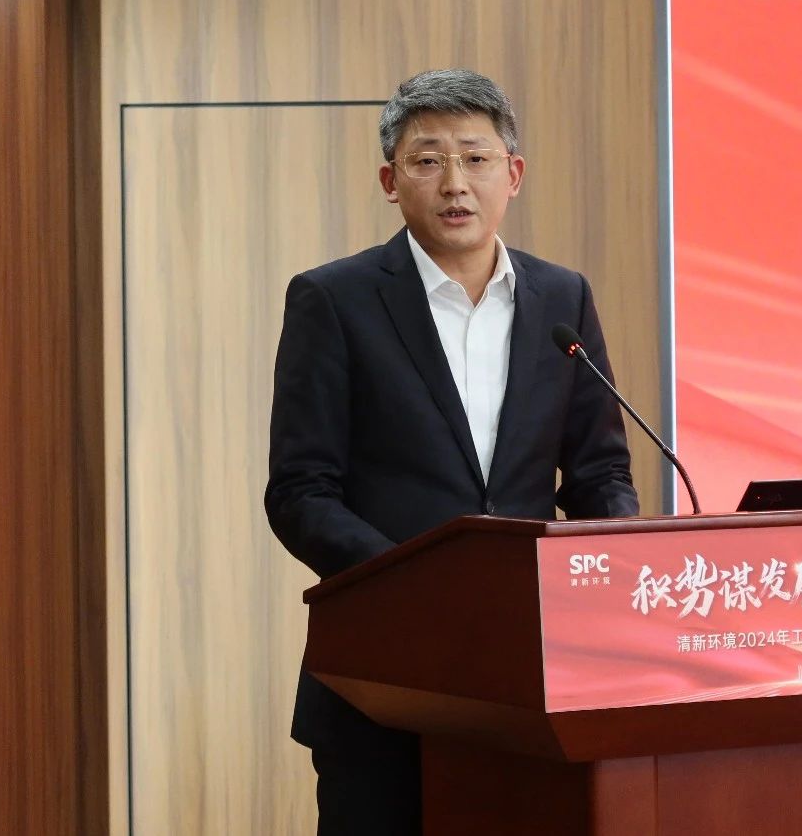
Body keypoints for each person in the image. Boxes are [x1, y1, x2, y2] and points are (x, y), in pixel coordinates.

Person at [264, 69, 639, 834]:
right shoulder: (333, 300)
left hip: (533, 679)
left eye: (475, 158)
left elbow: (599, 471)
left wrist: (613, 578)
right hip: (381, 676)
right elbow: (301, 491)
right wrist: (416, 584)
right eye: (427, 160)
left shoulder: (561, 298)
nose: (455, 182)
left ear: (514, 174)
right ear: (390, 181)